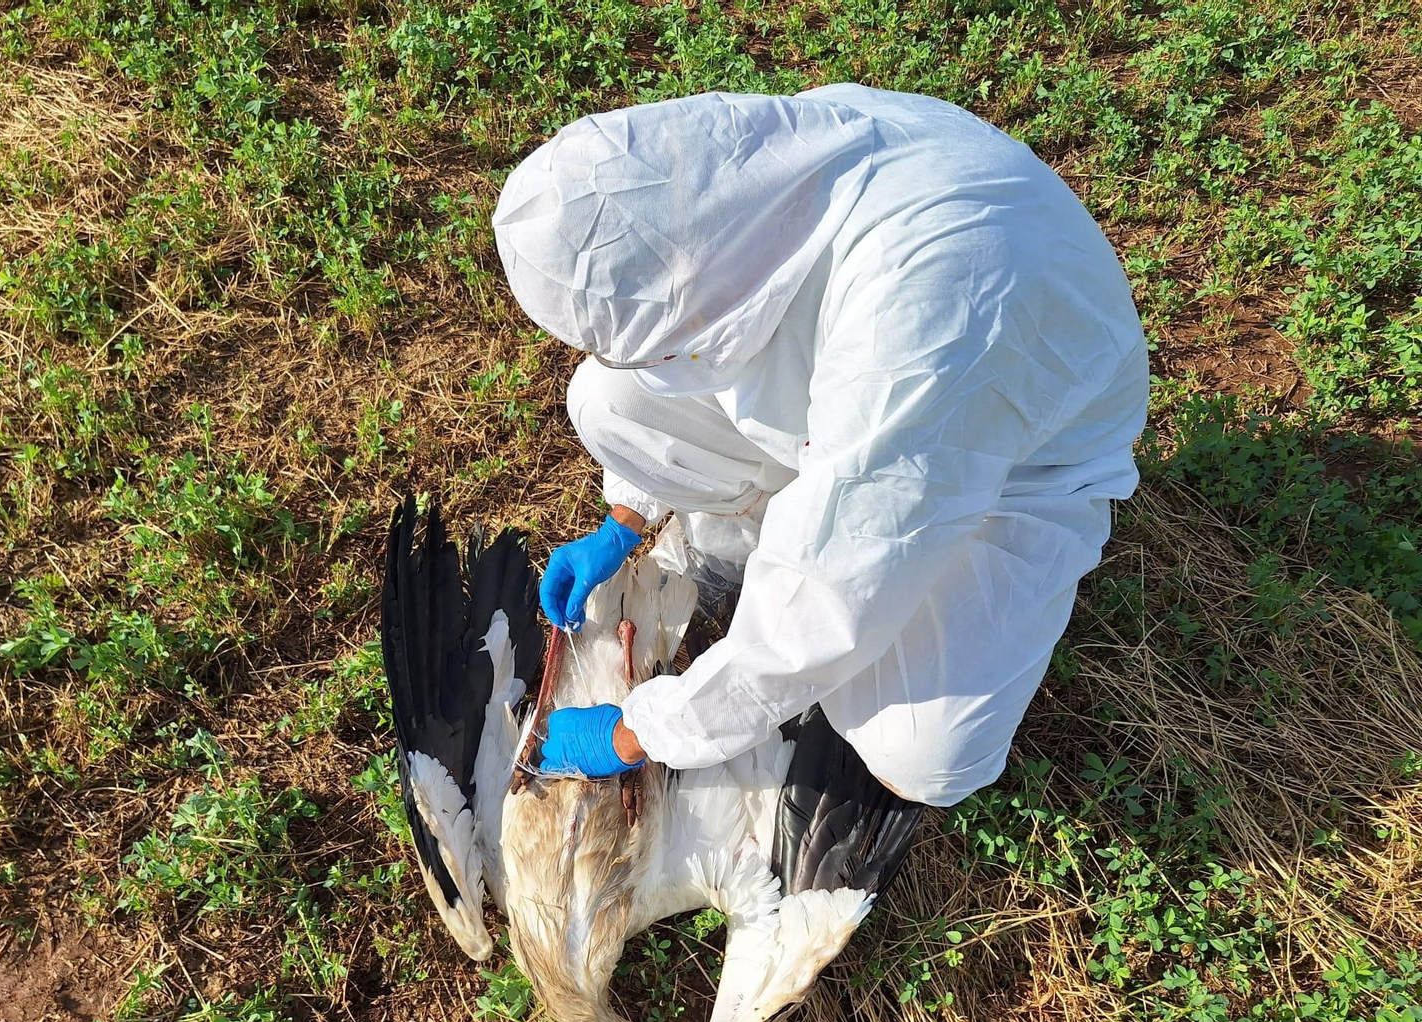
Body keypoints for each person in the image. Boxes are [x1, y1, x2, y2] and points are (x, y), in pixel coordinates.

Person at [491, 85, 1148, 806]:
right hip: (885, 393)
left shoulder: (914, 330)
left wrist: (639, 733)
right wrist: (627, 519)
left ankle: (823, 547)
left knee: (927, 754)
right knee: (608, 400)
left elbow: (838, 594)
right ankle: (778, 522)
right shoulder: (753, 168)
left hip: (1019, 457)